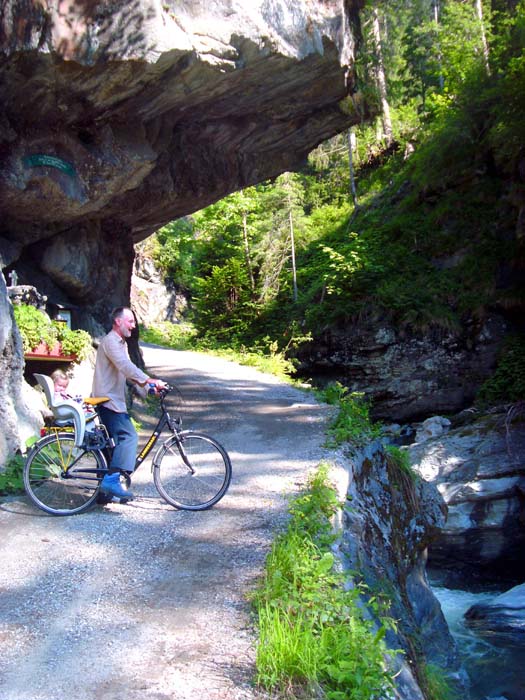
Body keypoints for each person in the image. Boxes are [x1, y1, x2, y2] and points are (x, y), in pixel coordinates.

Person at [92, 306, 167, 500]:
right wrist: (150, 380)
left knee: (112, 447)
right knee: (129, 436)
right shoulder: (111, 341)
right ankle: (111, 481)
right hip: (108, 400)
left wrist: (148, 389)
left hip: (113, 400)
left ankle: (104, 492)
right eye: (130, 321)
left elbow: (128, 374)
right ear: (118, 322)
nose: (134, 326)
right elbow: (126, 367)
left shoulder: (120, 343)